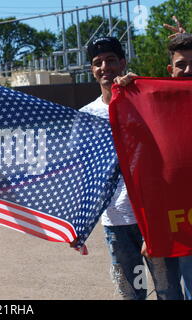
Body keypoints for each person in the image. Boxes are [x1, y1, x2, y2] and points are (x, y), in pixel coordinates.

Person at [79, 36, 184, 300]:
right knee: (130, 294)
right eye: (97, 62)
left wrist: (137, 87)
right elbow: (84, 175)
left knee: (169, 292)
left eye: (111, 60)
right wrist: (77, 225)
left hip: (154, 220)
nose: (105, 67)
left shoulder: (143, 102)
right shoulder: (86, 116)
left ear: (123, 63)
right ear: (92, 70)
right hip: (115, 223)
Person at [117, 30, 192, 300]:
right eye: (181, 64)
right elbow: (151, 175)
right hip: (181, 223)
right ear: (170, 70)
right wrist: (133, 89)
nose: (188, 70)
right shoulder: (156, 102)